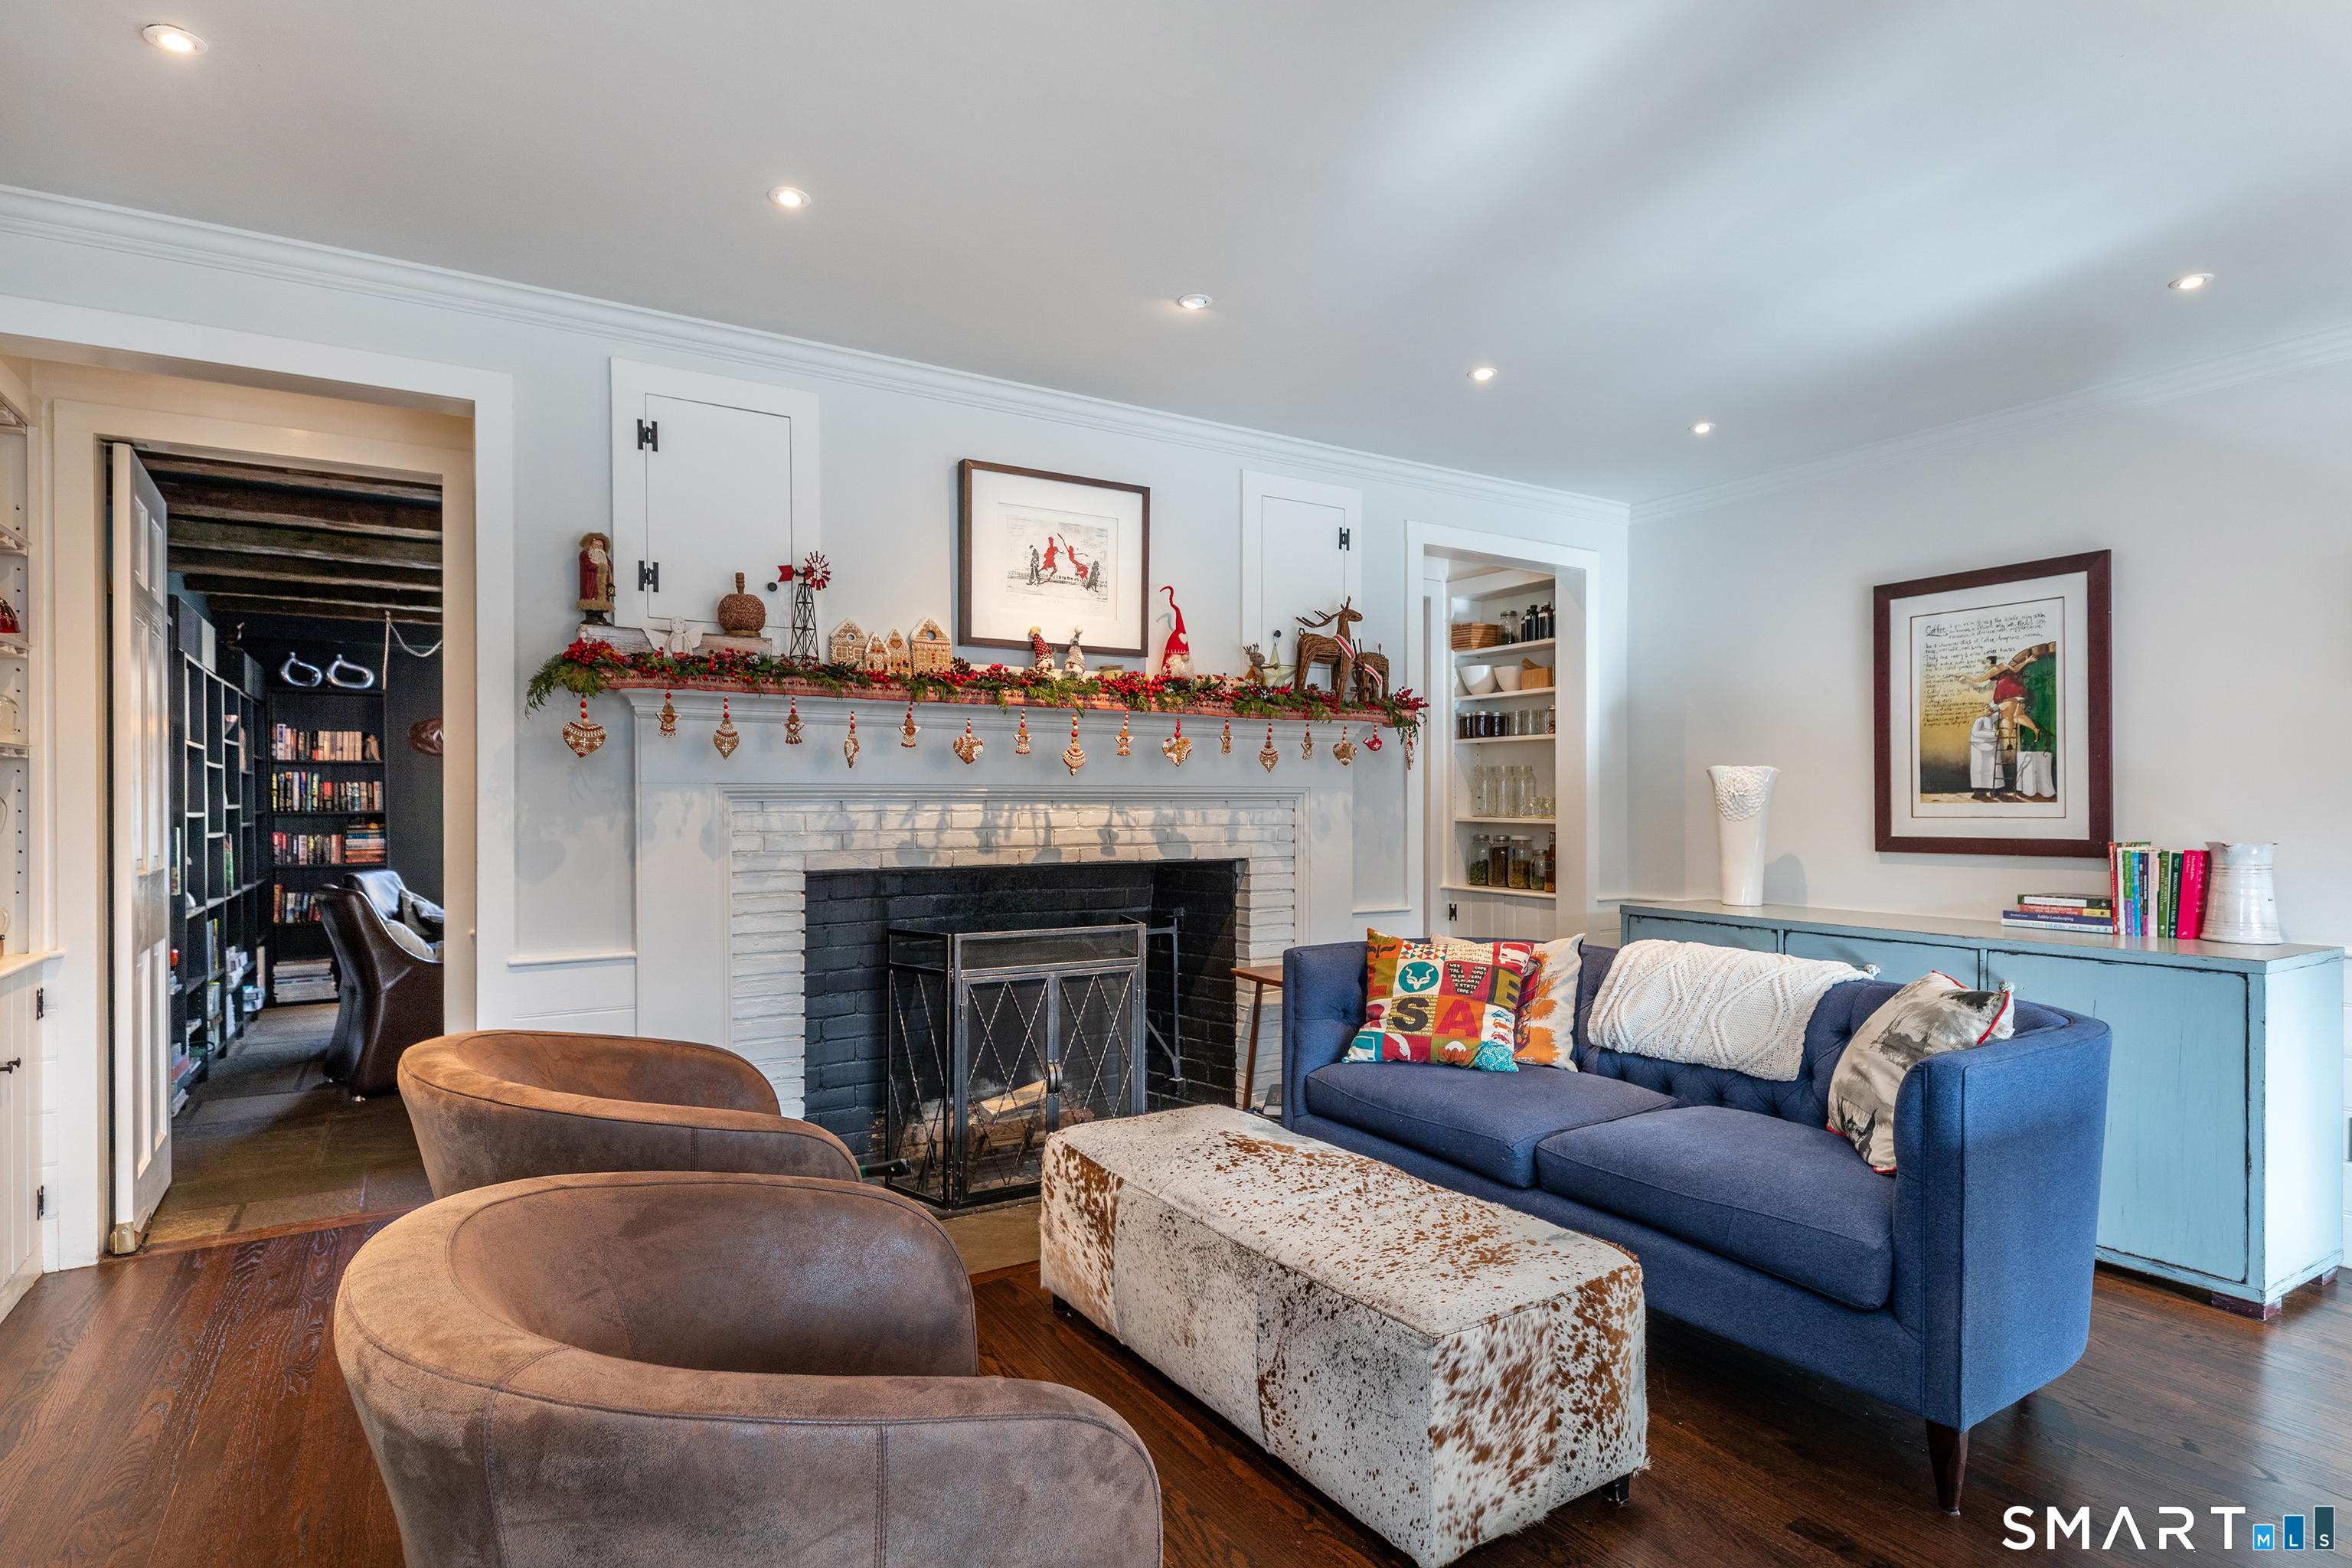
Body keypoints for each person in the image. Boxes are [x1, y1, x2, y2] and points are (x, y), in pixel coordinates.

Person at [1968, 703, 2004, 800]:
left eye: (1992, 709)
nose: (1991, 711)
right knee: (1979, 768)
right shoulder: (1979, 721)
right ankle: (1979, 792)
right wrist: (1994, 734)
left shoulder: (1993, 718)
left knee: (1994, 768)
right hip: (1979, 747)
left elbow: (2002, 713)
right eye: (1988, 709)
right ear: (1983, 710)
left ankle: (1995, 791)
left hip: (1992, 746)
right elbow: (1975, 732)